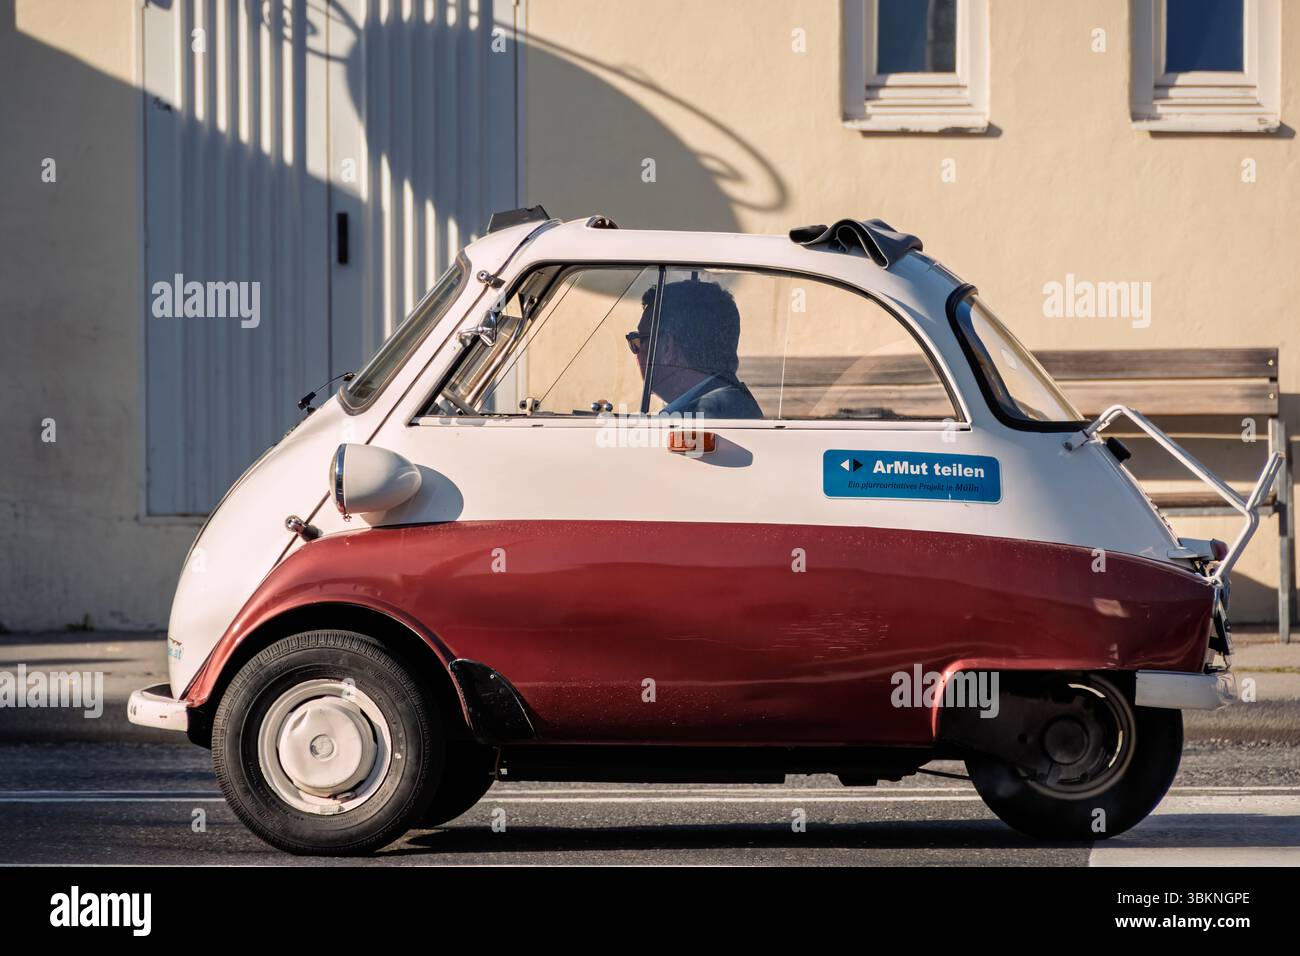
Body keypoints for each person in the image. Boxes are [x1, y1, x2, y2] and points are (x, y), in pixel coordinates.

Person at [627, 278, 763, 418]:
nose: (636, 353)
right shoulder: (731, 404)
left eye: (640, 340)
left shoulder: (699, 418)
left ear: (667, 347)